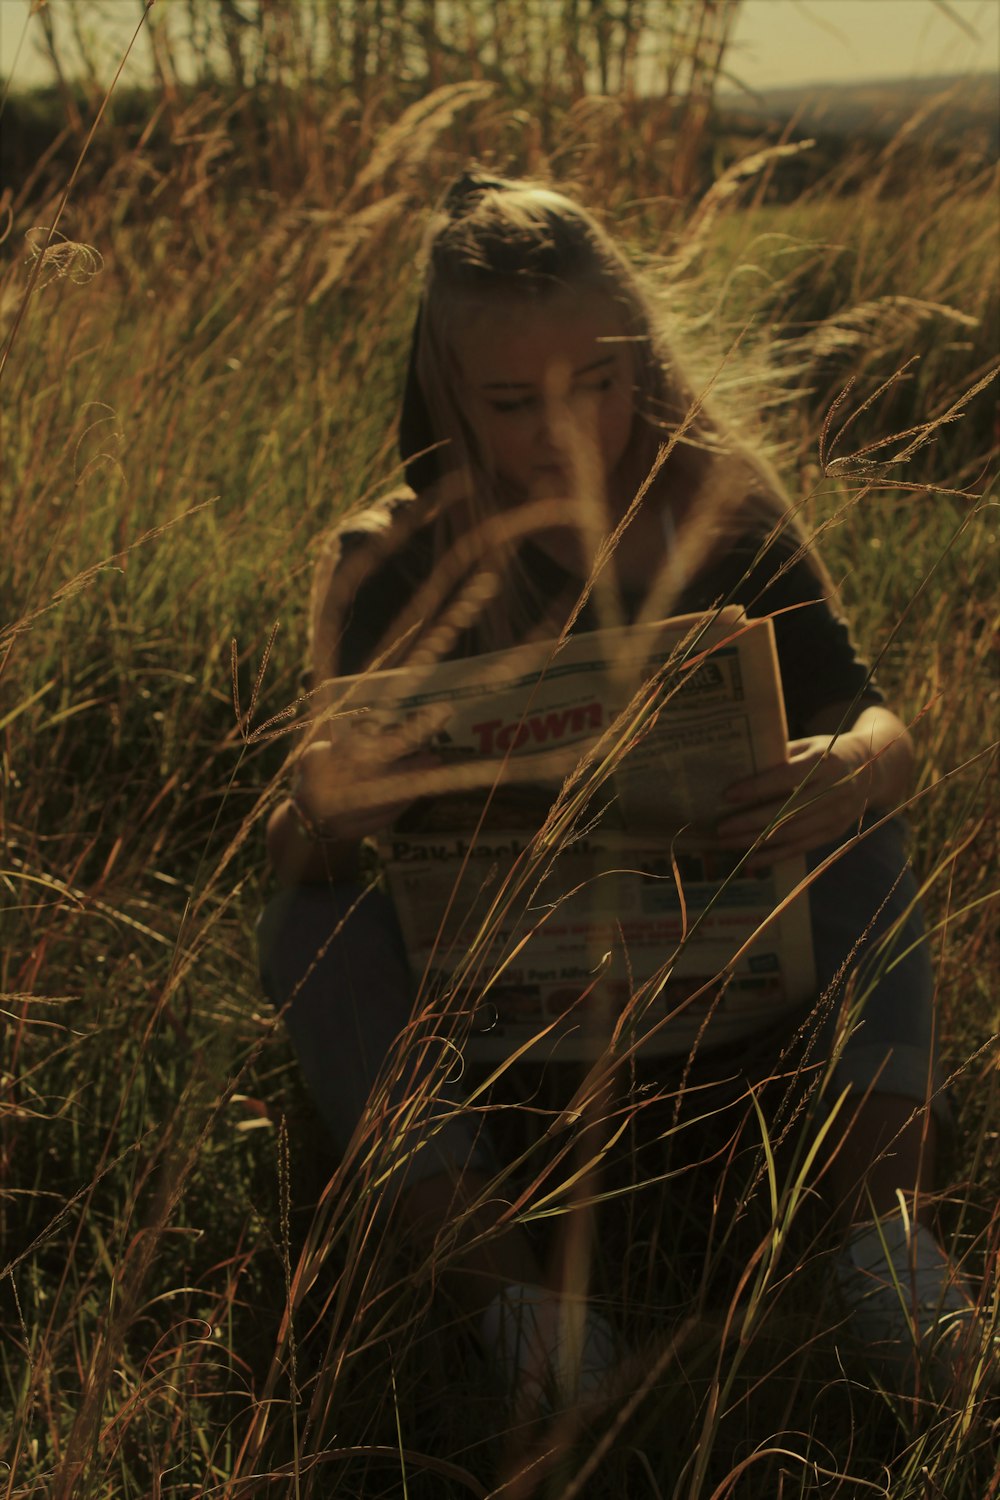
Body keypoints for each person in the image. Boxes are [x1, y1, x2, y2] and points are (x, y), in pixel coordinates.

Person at [259, 170, 978, 1414]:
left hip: (729, 996)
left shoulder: (722, 502)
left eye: (597, 379)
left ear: (640, 354)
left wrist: (849, 763)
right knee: (306, 934)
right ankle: (519, 1312)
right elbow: (300, 858)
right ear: (447, 392)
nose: (564, 425)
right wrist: (325, 814)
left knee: (868, 837)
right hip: (500, 1015)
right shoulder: (385, 560)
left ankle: (884, 1253)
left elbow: (879, 724)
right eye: (511, 399)